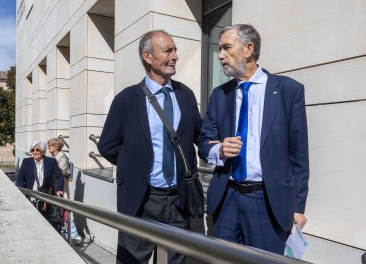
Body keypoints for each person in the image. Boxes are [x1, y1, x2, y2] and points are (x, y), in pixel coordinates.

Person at [198, 24, 309, 254]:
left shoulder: (288, 91)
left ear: (248, 49)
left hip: (268, 202)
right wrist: (218, 151)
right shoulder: (220, 94)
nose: (220, 55)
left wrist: (298, 208)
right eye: (220, 49)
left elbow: (299, 157)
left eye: (227, 48)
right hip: (227, 198)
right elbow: (203, 142)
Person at [97, 30, 202, 264]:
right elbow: (107, 145)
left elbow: (199, 135)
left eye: (175, 50)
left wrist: (219, 146)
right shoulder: (126, 99)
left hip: (178, 201)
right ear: (148, 56)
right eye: (168, 51)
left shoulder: (185, 94)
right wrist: (136, 165)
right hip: (141, 199)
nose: (175, 56)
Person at [16, 141, 64, 223]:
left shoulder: (51, 162)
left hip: (45, 198)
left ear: (43, 150)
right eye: (33, 150)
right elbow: (20, 178)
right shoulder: (26, 162)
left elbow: (60, 176)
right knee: (31, 221)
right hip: (30, 197)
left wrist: (59, 189)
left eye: (37, 150)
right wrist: (22, 192)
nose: (35, 152)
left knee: (44, 221)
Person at [47, 137, 82, 245]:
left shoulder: (62, 158)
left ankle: (74, 236)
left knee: (65, 211)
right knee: (60, 211)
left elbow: (58, 174)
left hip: (61, 189)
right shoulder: (54, 157)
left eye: (50, 145)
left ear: (56, 146)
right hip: (54, 188)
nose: (48, 147)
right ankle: (66, 233)